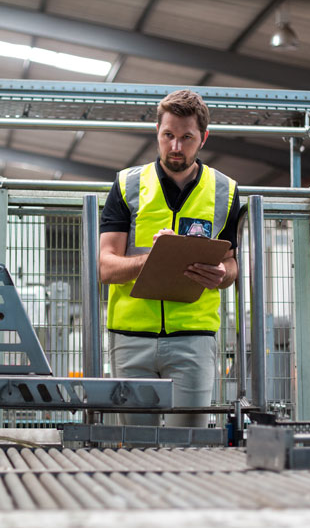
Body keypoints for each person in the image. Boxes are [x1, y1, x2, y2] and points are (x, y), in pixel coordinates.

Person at [99, 89, 240, 428]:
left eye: (186, 137)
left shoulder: (226, 191)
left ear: (203, 138)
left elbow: (233, 264)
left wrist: (221, 274)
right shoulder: (126, 185)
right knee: (136, 447)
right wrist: (151, 261)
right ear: (157, 133)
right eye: (168, 136)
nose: (176, 147)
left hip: (194, 337)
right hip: (131, 338)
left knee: (188, 445)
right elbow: (105, 265)